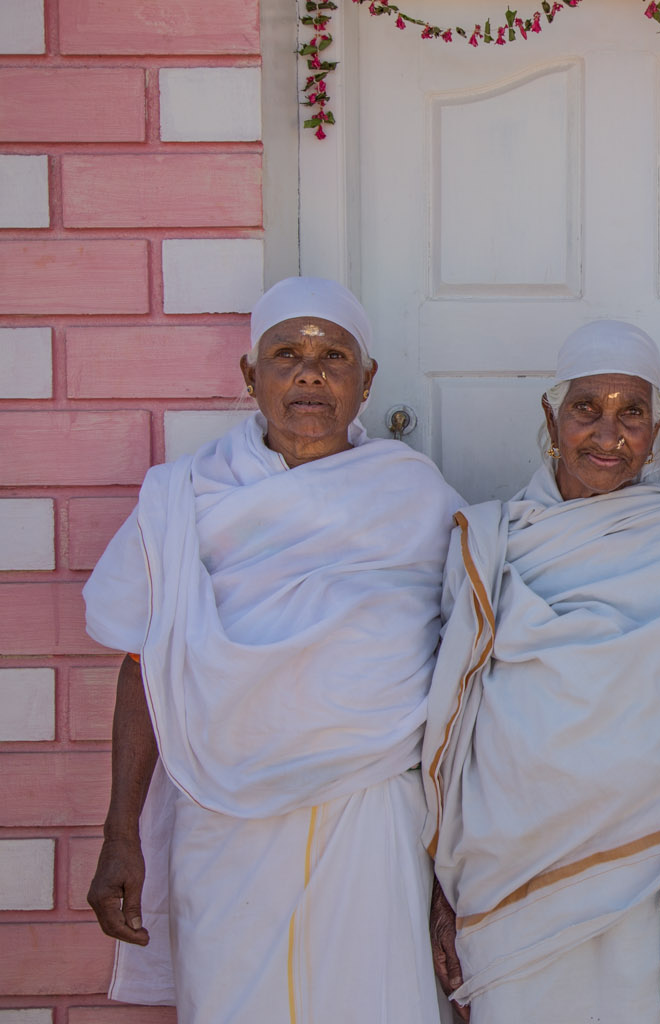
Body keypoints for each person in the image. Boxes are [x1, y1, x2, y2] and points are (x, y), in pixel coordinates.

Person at [82, 277, 463, 1020]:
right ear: (250, 376)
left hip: (373, 810)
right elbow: (143, 667)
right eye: (287, 354)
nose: (311, 373)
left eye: (334, 356)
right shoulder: (181, 499)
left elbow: (461, 679)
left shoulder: (417, 498)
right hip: (223, 817)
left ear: (367, 380)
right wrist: (119, 832)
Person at [423, 320, 660, 1021]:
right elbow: (451, 724)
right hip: (504, 865)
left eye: (633, 413)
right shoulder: (491, 541)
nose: (608, 434)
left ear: (659, 428)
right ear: (552, 418)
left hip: (649, 868)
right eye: (587, 408)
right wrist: (442, 883)